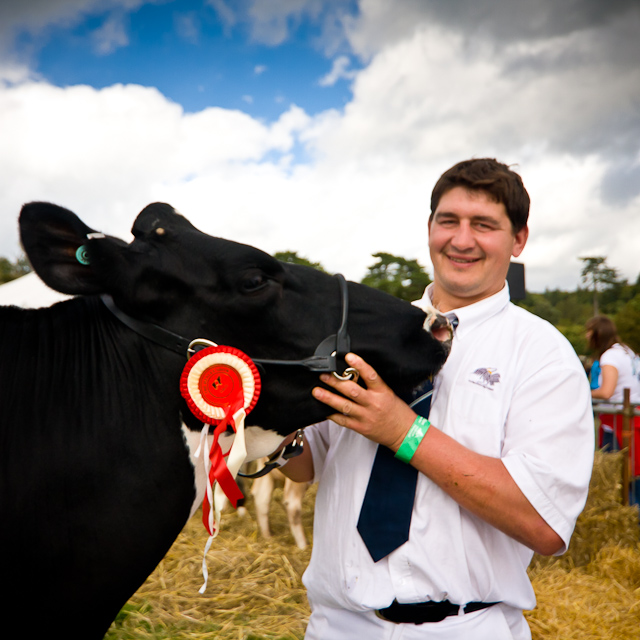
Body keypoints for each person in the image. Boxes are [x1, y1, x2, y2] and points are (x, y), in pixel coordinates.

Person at [280, 158, 595, 640]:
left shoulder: (542, 353)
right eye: (448, 221)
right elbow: (308, 463)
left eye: (484, 225)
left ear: (519, 240)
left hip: (464, 628)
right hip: (335, 626)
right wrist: (260, 418)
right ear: (430, 228)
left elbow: (542, 523)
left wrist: (403, 433)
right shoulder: (369, 332)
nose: (461, 239)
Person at [587, 315, 640, 452]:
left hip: (617, 422)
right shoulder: (626, 350)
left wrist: (583, 392)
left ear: (598, 334)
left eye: (589, 332)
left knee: (614, 470)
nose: (586, 336)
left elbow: (606, 392)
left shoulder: (610, 356)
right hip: (629, 416)